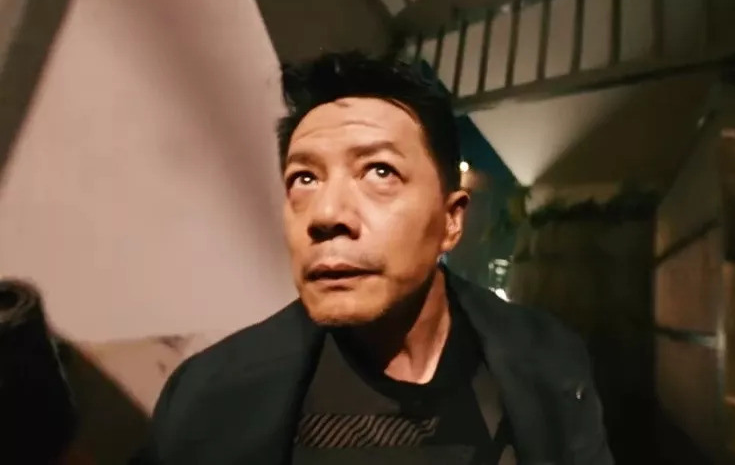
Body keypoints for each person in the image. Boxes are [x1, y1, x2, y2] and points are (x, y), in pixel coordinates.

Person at [132, 52, 614, 465]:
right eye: (304, 179)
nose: (326, 214)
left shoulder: (549, 360)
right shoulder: (207, 399)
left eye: (380, 171)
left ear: (451, 220)